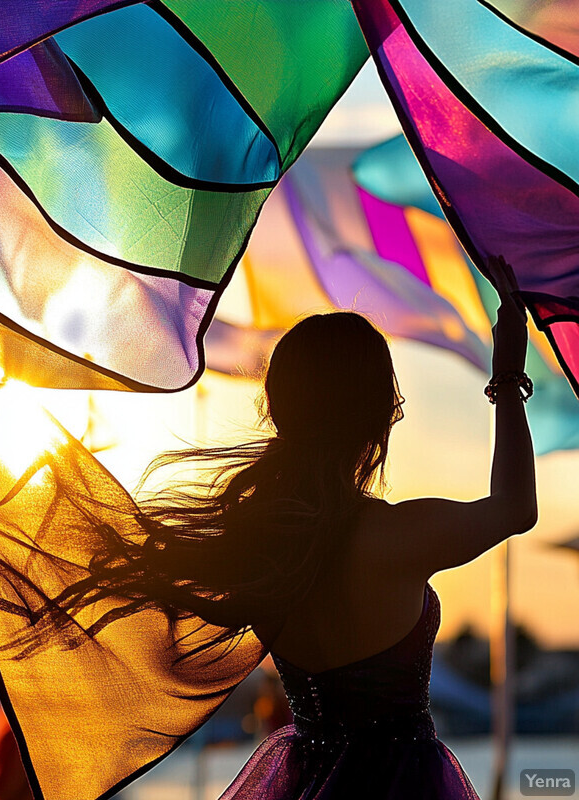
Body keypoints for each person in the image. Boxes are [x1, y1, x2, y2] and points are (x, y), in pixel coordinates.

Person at [53, 254, 536, 798]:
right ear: (379, 412)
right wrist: (507, 375)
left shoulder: (257, 544)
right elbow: (515, 508)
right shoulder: (394, 536)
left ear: (281, 410)